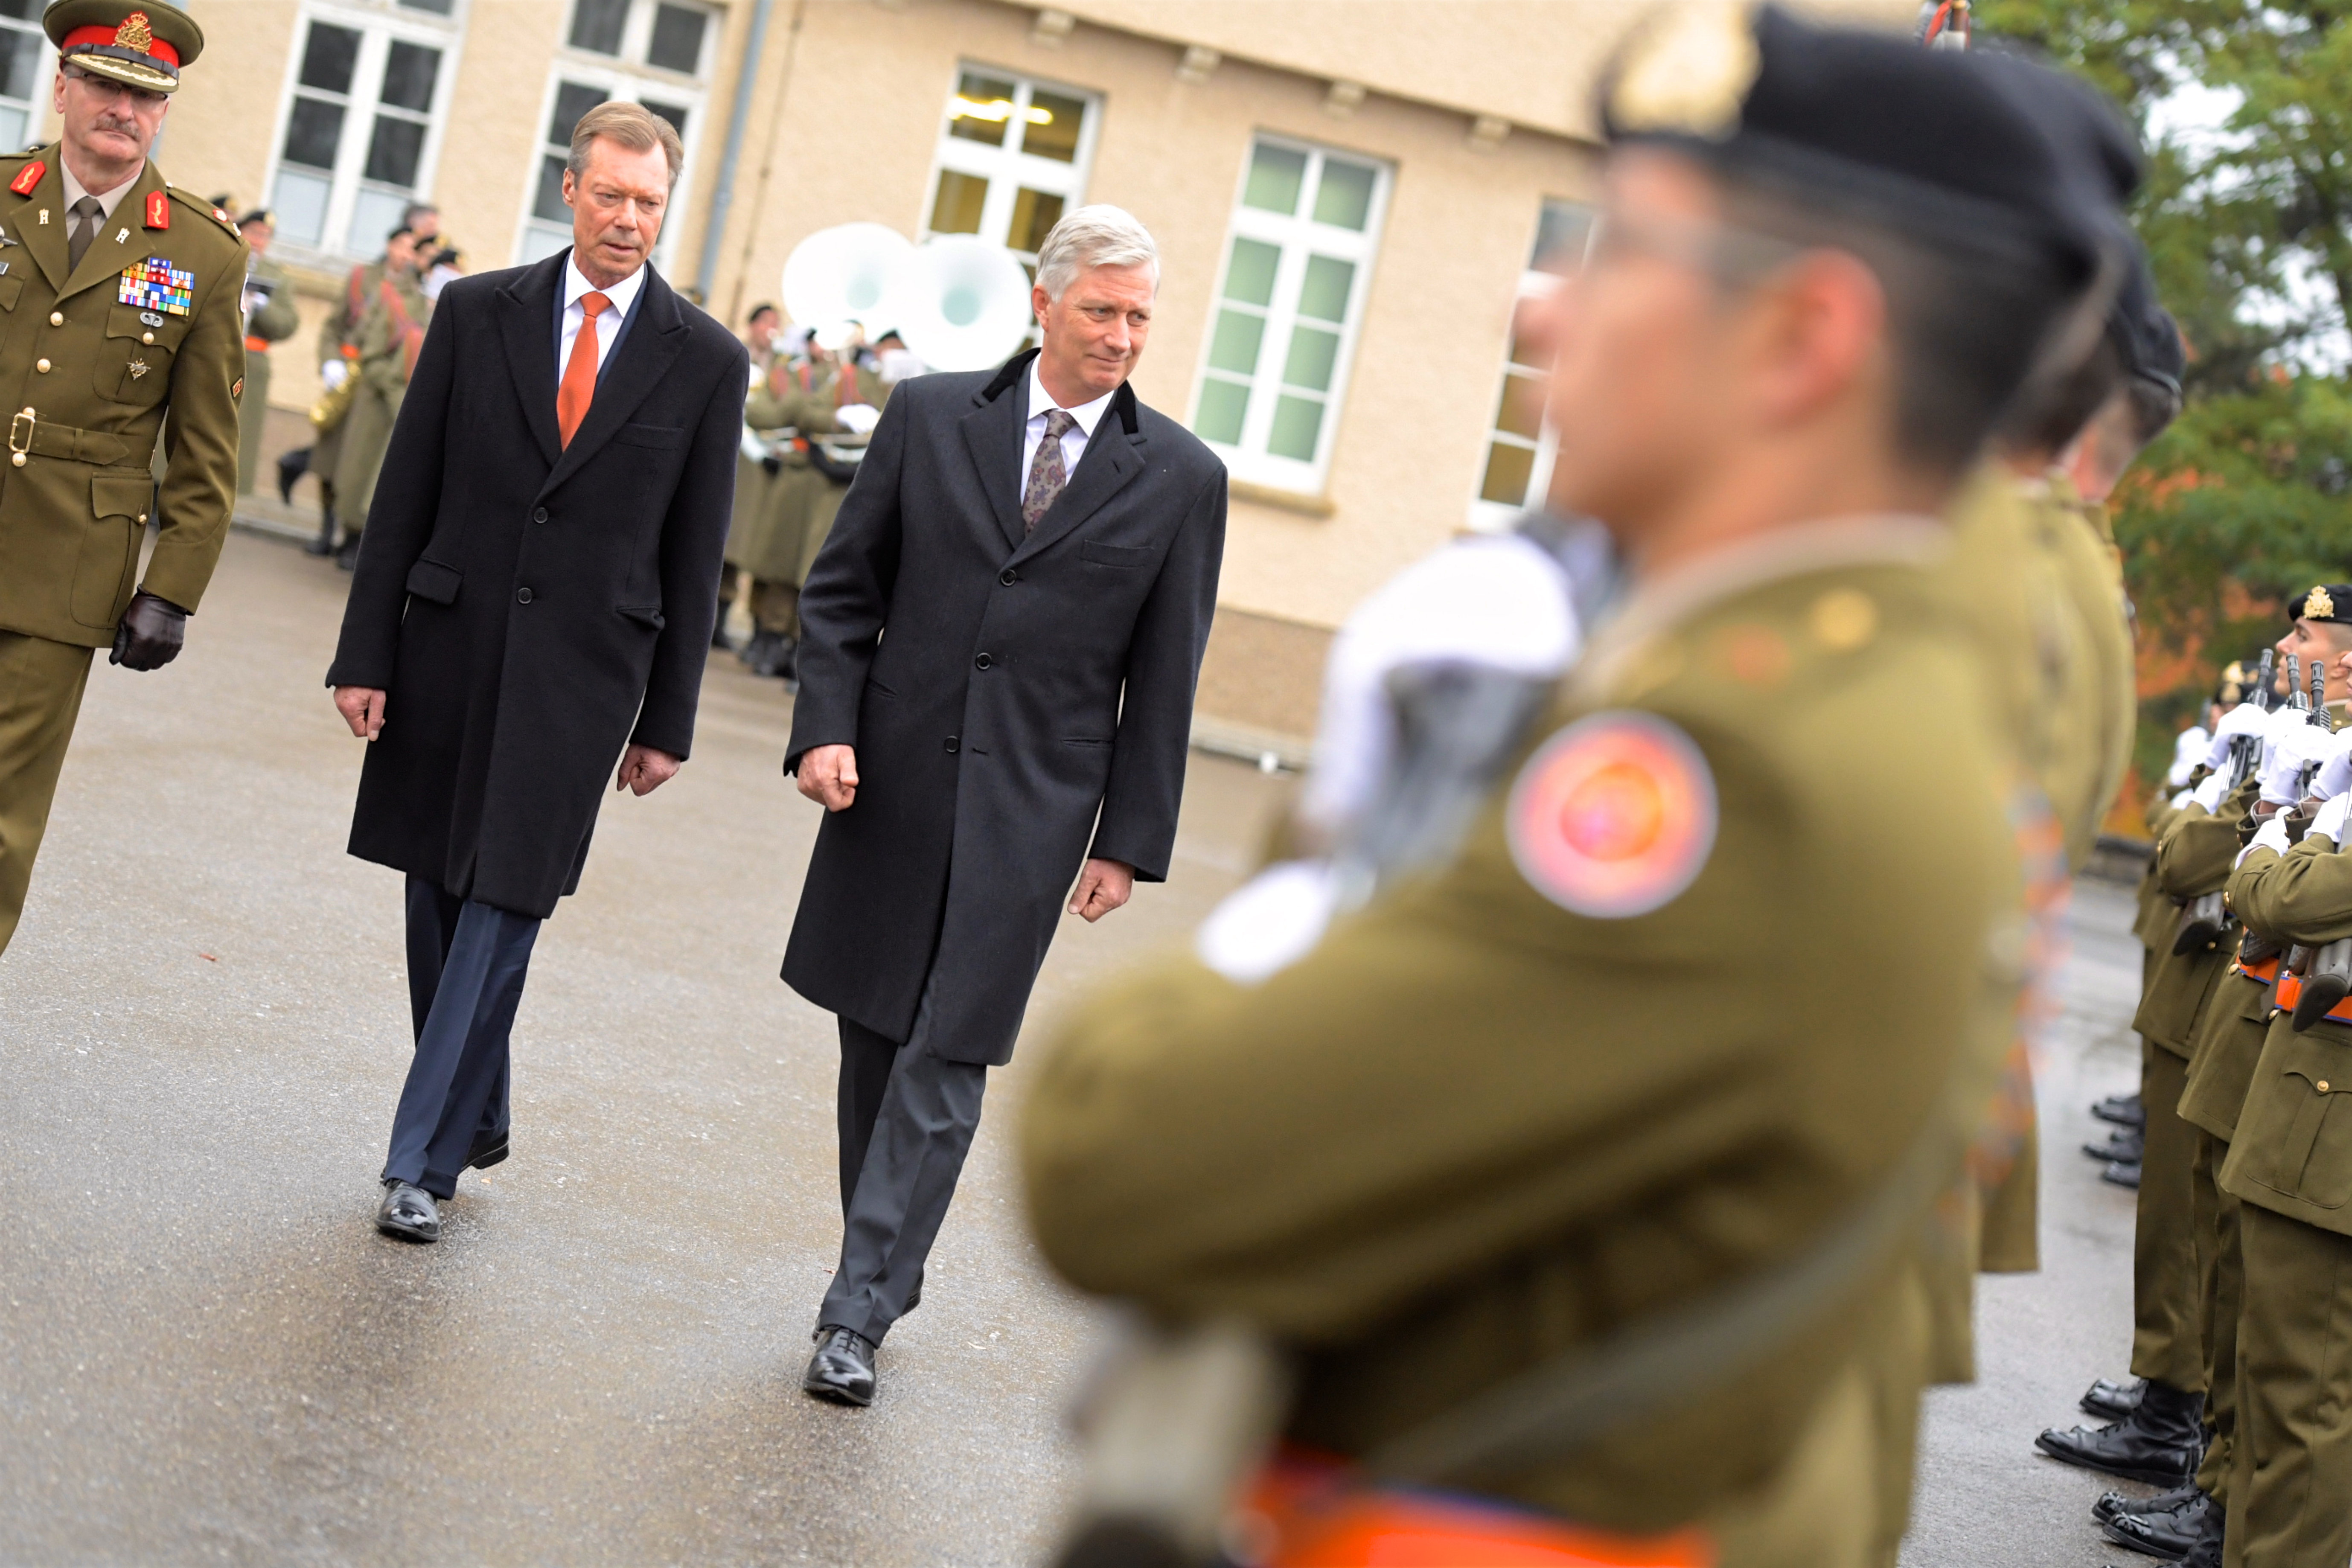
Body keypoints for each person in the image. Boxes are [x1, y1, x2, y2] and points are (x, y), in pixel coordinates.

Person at [1019, 8, 2113, 1564]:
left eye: (1624, 254)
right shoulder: (1874, 677)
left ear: (1802, 342)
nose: (1545, 308)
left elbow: (1119, 1158)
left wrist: (1335, 863)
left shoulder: (1736, 767)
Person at [782, 203, 1227, 1405]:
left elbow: (1166, 676)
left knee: (949, 1052)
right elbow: (840, 593)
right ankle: (873, 1260)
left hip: (1035, 816)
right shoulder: (931, 419)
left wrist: (1128, 842)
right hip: (894, 783)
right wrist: (823, 725)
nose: (1123, 336)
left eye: (1141, 317)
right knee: (876, 1037)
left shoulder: (1184, 478)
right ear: (1045, 304)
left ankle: (859, 1308)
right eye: (1103, 311)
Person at [324, 101, 746, 1243]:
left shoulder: (706, 360)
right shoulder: (476, 312)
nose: (628, 219)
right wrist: (365, 653)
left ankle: (422, 1161)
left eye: (650, 202)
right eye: (610, 195)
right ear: (571, 190)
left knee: (506, 901)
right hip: (447, 645)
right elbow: (404, 489)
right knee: (435, 888)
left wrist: (671, 721)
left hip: (582, 679)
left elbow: (695, 550)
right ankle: (483, 1104)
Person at [0, 0, 245, 960]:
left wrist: (171, 589)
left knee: (5, 812)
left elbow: (205, 448)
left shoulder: (202, 252)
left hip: (68, 569)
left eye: (145, 96)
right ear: (61, 86)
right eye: (104, 83)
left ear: (164, 114)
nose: (123, 108)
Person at [328, 225, 425, 570]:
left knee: (374, 471)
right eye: (403, 247)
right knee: (349, 463)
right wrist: (331, 361)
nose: (407, 256)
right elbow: (349, 332)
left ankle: (356, 540)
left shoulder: (425, 299)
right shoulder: (377, 286)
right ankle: (340, 533)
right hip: (372, 390)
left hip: (401, 400)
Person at [716, 301, 783, 651]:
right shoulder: (735, 351)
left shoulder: (779, 367)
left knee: (743, 543)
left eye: (777, 324)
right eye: (767, 322)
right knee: (723, 536)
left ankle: (724, 612)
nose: (772, 330)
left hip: (760, 467)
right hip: (734, 455)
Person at [236, 208, 297, 496]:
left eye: (266, 236)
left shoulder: (277, 275)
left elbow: (287, 325)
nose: (259, 241)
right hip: (212, 351)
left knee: (239, 433)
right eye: (254, 233)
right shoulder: (225, 256)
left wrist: (263, 306)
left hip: (252, 360)